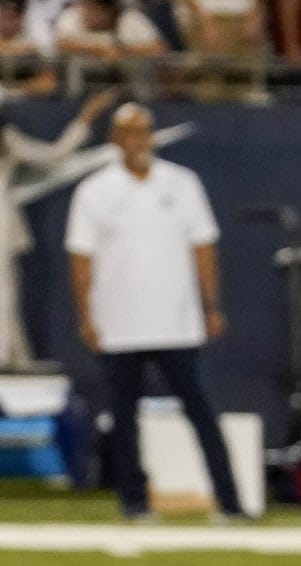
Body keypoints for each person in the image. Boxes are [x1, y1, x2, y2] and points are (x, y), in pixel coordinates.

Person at [65, 103, 244, 521]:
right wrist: (87, 316)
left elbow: (203, 247)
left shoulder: (182, 184)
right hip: (119, 324)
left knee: (202, 414)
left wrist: (211, 305)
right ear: (114, 139)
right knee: (124, 421)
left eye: (143, 130)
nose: (137, 139)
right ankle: (135, 503)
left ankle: (231, 504)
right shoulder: (94, 191)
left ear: (152, 135)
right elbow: (80, 259)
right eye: (128, 131)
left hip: (177, 323)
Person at [0, 88, 117, 372]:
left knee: (5, 291)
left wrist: (86, 117)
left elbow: (56, 153)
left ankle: (9, 359)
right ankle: (16, 357)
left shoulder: (7, 140)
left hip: (2, 227)